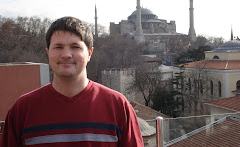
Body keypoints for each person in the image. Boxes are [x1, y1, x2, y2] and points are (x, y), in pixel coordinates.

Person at [0, 17, 144, 146]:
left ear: (89, 53)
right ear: (48, 52)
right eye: (58, 47)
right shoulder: (22, 110)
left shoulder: (118, 106)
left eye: (75, 47)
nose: (66, 54)